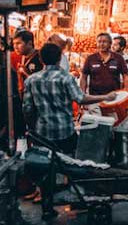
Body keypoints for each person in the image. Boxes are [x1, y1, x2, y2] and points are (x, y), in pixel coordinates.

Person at [23, 43, 117, 219]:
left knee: (46, 170)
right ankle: (78, 197)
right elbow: (81, 98)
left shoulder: (31, 80)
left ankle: (47, 207)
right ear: (60, 58)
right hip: (65, 131)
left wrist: (33, 128)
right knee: (74, 165)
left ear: (41, 59)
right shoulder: (65, 78)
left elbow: (27, 109)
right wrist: (106, 97)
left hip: (42, 134)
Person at [13, 30, 43, 95]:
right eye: (14, 44)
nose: (15, 47)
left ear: (29, 43)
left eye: (18, 43)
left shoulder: (41, 57)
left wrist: (27, 73)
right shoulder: (20, 57)